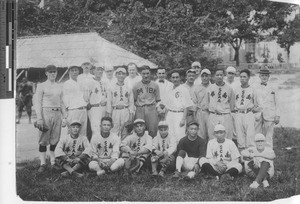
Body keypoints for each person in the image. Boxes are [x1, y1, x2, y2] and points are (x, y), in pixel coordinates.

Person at [35, 65, 67, 172]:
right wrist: (39, 118)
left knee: (55, 139)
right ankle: (43, 163)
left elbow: (62, 102)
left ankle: (53, 162)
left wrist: (65, 116)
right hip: (46, 113)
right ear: (46, 73)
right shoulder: (41, 86)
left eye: (55, 72)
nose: (53, 74)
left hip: (57, 113)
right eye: (51, 72)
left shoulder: (59, 86)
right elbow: (38, 103)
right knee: (43, 139)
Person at [253, 66, 280, 148]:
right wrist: (254, 110)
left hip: (269, 114)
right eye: (262, 75)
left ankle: (268, 154)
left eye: (266, 75)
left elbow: (278, 102)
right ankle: (257, 153)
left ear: (268, 76)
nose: (264, 77)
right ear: (259, 76)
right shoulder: (255, 87)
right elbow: (254, 101)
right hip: (258, 114)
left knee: (268, 136)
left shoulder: (273, 87)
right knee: (257, 134)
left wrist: (277, 115)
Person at [165, 69, 194, 143]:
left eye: (177, 77)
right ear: (171, 79)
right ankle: (172, 153)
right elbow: (167, 105)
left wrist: (183, 119)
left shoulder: (184, 89)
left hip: (179, 114)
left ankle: (180, 153)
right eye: (173, 77)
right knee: (170, 135)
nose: (175, 79)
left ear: (180, 78)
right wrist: (166, 117)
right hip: (170, 114)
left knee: (179, 135)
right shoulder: (169, 89)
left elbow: (186, 106)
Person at [206, 68, 235, 140]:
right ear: (214, 76)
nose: (219, 76)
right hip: (213, 115)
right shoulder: (210, 88)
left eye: (221, 75)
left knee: (227, 136)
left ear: (224, 76)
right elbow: (207, 102)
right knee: (212, 136)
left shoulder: (229, 89)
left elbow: (232, 103)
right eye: (217, 75)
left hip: (225, 115)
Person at [233, 69, 258, 151]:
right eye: (241, 77)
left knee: (250, 135)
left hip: (248, 113)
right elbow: (233, 102)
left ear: (248, 78)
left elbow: (257, 103)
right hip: (238, 113)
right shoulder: (236, 89)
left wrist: (253, 110)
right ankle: (242, 157)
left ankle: (250, 158)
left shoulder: (253, 89)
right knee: (239, 136)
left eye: (244, 77)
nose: (242, 78)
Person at [132, 65, 161, 137]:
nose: (146, 75)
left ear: (150, 73)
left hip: (151, 108)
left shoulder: (155, 85)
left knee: (153, 129)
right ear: (140, 74)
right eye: (143, 73)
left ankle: (153, 146)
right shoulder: (136, 85)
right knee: (139, 129)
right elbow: (134, 100)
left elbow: (158, 100)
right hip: (140, 108)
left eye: (147, 73)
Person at [87, 64, 111, 139]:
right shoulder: (89, 82)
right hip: (95, 108)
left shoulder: (105, 82)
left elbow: (108, 96)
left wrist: (108, 110)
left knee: (104, 129)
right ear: (93, 70)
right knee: (95, 129)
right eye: (98, 69)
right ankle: (95, 148)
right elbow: (86, 97)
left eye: (101, 69)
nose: (100, 71)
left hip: (104, 108)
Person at [63, 66, 88, 136]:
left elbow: (85, 96)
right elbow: (65, 99)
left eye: (76, 70)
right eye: (72, 70)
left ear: (78, 71)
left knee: (83, 133)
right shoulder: (67, 83)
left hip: (83, 110)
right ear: (69, 72)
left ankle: (81, 147)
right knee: (72, 132)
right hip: (73, 110)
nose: (74, 72)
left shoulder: (82, 82)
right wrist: (66, 114)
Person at [110, 67, 134, 138]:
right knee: (114, 130)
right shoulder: (111, 88)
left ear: (125, 75)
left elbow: (131, 102)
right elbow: (109, 102)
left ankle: (123, 147)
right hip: (115, 111)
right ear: (116, 75)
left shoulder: (128, 88)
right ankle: (115, 147)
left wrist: (131, 115)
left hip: (125, 110)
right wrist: (109, 114)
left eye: (123, 74)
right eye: (119, 74)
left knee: (125, 130)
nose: (121, 76)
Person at [192, 69, 211, 141]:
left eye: (206, 76)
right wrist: (194, 115)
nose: (205, 78)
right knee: (201, 133)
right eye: (203, 76)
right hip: (200, 112)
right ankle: (202, 151)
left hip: (210, 113)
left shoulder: (213, 87)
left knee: (211, 132)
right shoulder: (197, 88)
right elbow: (194, 102)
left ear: (210, 76)